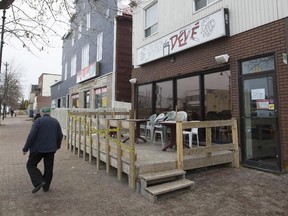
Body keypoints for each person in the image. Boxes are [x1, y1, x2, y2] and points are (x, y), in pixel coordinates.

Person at [22, 107, 63, 193]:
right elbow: (60, 135)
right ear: (49, 113)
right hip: (51, 149)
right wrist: (57, 146)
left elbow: (31, 136)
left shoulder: (38, 121)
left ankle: (39, 181)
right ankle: (46, 187)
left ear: (41, 113)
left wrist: (25, 148)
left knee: (31, 165)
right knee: (49, 167)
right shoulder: (55, 122)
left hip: (37, 149)